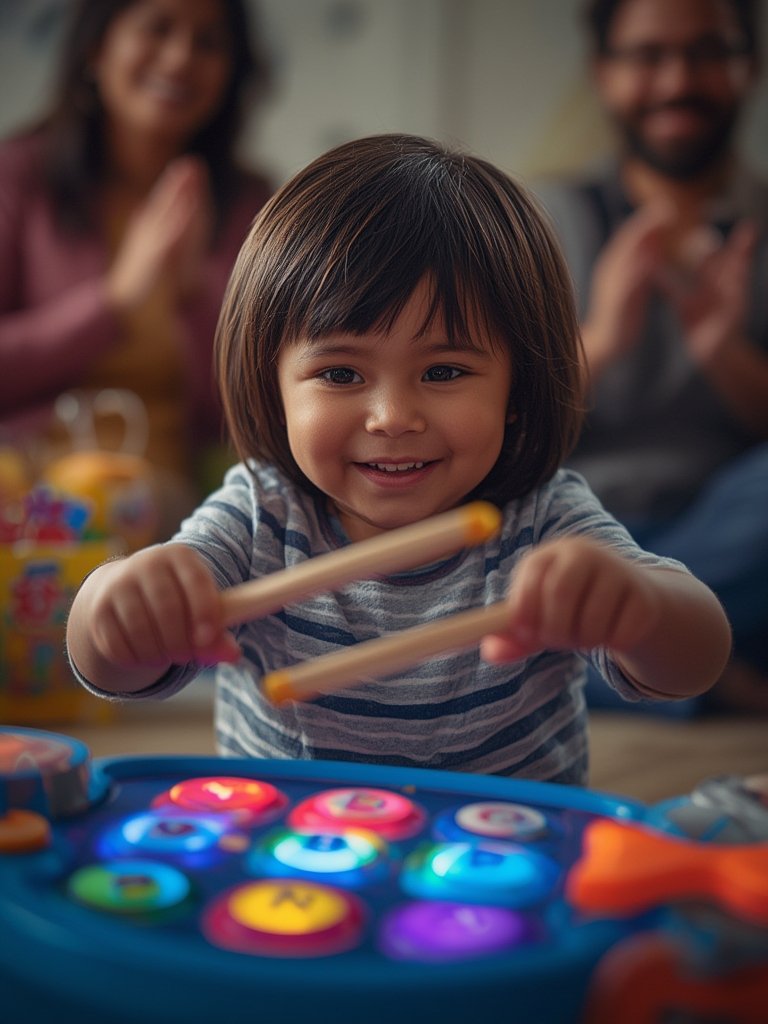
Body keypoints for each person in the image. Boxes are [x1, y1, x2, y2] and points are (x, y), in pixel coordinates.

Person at [65, 134, 731, 784]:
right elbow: (115, 670)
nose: (392, 418)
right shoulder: (259, 513)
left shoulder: (542, 519)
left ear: (517, 387)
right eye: (341, 375)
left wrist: (640, 607)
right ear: (273, 383)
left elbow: (694, 661)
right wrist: (118, 605)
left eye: (443, 372)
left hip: (502, 866)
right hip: (288, 867)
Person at [534, 0, 768, 713]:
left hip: (718, 535)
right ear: (604, 74)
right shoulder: (541, 218)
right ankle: (684, 668)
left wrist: (722, 350)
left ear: (748, 67)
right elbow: (492, 422)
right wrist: (603, 335)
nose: (676, 81)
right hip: (567, 529)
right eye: (646, 56)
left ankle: (621, 656)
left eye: (707, 52)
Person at [0, 0, 273, 537]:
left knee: (100, 508)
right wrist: (115, 303)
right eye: (158, 28)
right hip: (16, 465)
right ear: (97, 47)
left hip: (150, 486)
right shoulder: (20, 175)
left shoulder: (249, 204)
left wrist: (193, 296)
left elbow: (250, 412)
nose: (179, 58)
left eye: (208, 42)